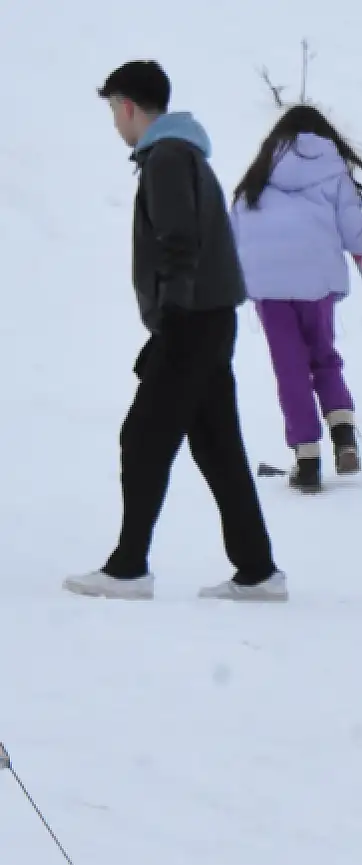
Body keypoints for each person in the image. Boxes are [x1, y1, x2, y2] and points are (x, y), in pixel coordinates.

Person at [67, 61, 286, 603]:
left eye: (113, 111)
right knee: (216, 445)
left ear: (127, 107)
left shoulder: (166, 157)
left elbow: (179, 241)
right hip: (210, 317)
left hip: (193, 320)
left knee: (142, 438)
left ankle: (128, 569)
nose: (115, 124)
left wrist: (171, 318)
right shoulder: (183, 154)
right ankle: (258, 571)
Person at [231, 106, 362, 493]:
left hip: (269, 289)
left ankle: (307, 460)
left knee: (290, 369)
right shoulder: (332, 172)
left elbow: (232, 238)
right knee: (323, 357)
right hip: (316, 283)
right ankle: (344, 437)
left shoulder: (255, 178)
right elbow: (361, 239)